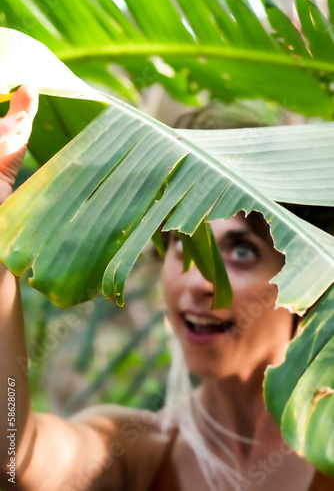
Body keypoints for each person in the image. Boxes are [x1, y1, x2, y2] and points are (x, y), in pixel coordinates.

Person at [0, 85, 333, 491]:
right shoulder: (135, 450)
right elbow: (14, 460)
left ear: (309, 271)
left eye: (242, 251)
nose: (198, 282)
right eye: (185, 245)